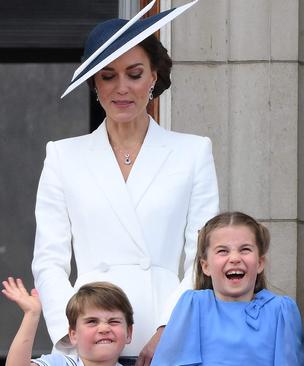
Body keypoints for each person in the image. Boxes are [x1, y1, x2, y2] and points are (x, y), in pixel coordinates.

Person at [30, 1, 219, 365]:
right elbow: (49, 261)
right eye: (108, 75)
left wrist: (170, 328)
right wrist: (72, 334)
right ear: (93, 82)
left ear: (154, 77)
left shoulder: (193, 152)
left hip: (163, 334)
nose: (122, 88)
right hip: (89, 336)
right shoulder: (63, 156)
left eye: (134, 74)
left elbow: (202, 256)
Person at [150, 211, 304, 365]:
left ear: (260, 263)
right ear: (205, 266)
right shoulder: (192, 306)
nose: (235, 258)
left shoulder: (280, 311)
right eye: (222, 251)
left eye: (245, 249)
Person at [2, 277, 133, 366]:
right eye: (92, 321)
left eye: (113, 321)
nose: (104, 328)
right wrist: (32, 314)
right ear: (73, 335)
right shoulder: (60, 363)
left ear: (128, 332)